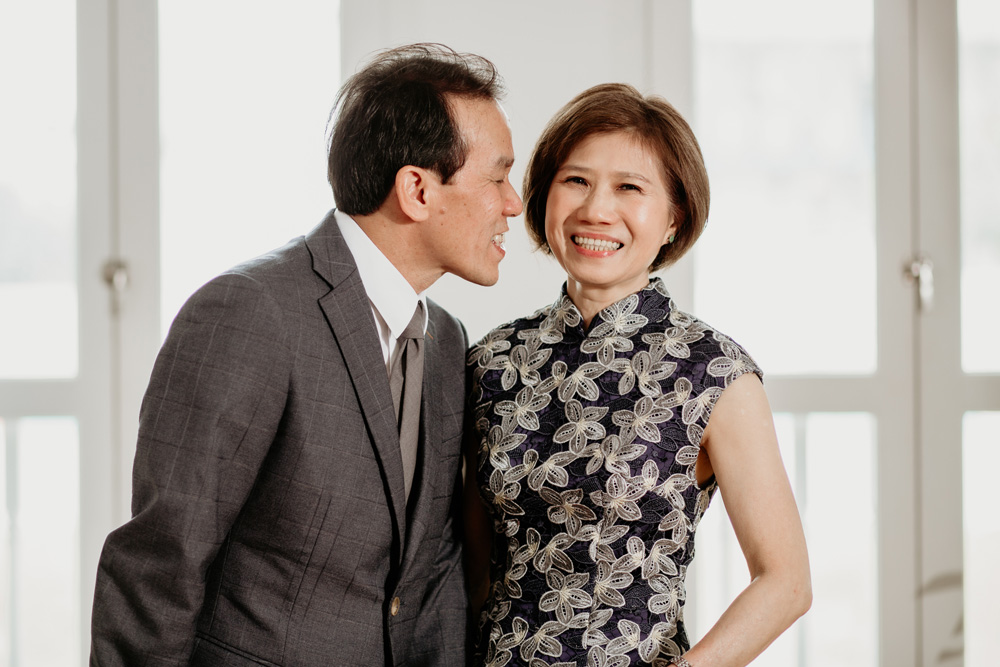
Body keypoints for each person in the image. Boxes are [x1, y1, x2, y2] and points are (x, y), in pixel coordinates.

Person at [90, 43, 522, 666]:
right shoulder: (249, 312)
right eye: (498, 176)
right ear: (418, 191)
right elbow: (159, 564)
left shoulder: (448, 339)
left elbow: (430, 575)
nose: (513, 202)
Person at [464, 83, 811, 667]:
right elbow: (472, 571)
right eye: (575, 180)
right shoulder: (492, 359)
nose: (596, 209)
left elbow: (786, 582)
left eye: (630, 187)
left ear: (674, 219)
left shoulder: (715, 372)